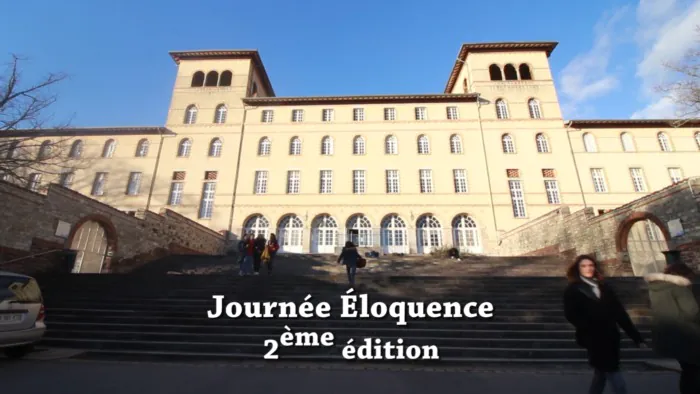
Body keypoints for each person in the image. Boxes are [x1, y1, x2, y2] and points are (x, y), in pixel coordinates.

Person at [563, 255, 645, 394]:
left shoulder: (605, 288)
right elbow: (571, 315)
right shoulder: (573, 290)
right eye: (583, 266)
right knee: (612, 371)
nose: (588, 268)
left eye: (590, 265)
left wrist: (636, 337)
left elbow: (620, 313)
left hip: (611, 336)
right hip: (593, 338)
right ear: (578, 269)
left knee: (602, 372)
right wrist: (589, 326)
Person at [645, 263, 700, 394]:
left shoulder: (656, 289)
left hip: (669, 335)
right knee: (695, 371)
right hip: (687, 335)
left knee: (688, 370)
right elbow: (692, 312)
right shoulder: (679, 288)